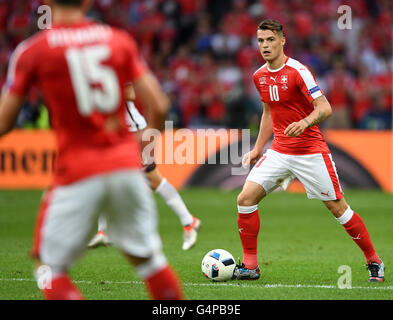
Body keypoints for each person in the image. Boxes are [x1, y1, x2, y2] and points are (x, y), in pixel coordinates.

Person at [0, 0, 184, 300]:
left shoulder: (32, 51)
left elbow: (5, 122)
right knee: (149, 261)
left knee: (48, 268)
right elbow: (160, 104)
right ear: (86, 2)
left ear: (46, 4)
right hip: (126, 167)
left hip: (77, 170)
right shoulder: (118, 40)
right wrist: (147, 141)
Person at [233, 19, 384, 282]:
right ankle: (250, 266)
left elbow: (325, 108)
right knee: (245, 200)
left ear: (282, 41)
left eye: (270, 40)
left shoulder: (298, 71)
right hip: (279, 151)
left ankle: (374, 260)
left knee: (338, 209)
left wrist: (304, 122)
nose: (265, 45)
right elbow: (268, 112)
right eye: (260, 41)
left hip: (310, 152)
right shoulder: (259, 76)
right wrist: (258, 148)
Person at [88, 84, 201, 251]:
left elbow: (131, 93)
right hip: (121, 134)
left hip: (136, 132)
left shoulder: (113, 67)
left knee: (151, 178)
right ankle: (103, 231)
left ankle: (189, 222)